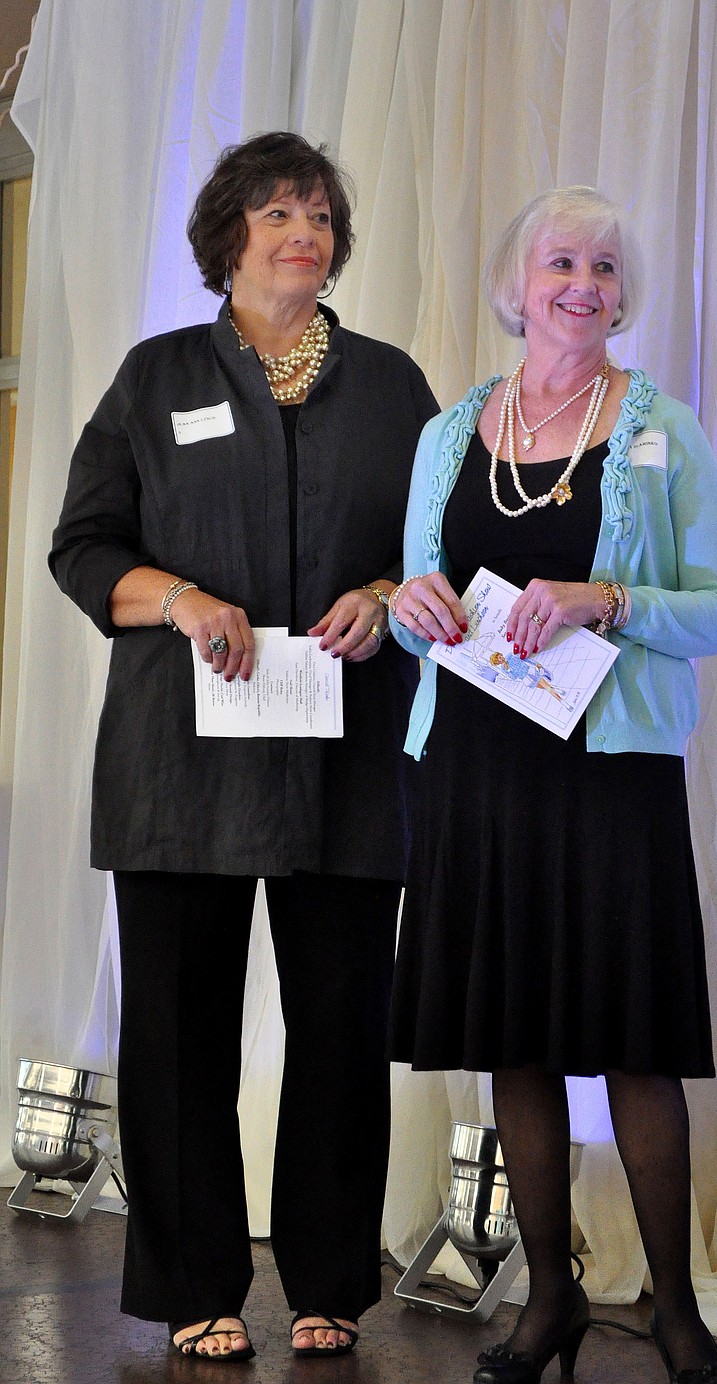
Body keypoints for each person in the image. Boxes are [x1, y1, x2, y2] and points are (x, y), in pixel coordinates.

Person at [49, 131, 437, 1363]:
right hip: (180, 762)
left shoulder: (391, 386)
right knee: (174, 1034)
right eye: (275, 213)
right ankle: (193, 1286)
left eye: (318, 215)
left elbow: (437, 558)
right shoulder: (154, 376)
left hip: (345, 751)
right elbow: (85, 547)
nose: (301, 233)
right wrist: (178, 596)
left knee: (337, 1029)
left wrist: (383, 596)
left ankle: (330, 1277)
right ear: (228, 238)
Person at [388, 187, 717, 1384]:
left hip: (607, 773)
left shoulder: (661, 429)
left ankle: (678, 1316)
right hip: (475, 774)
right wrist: (410, 608)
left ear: (620, 292)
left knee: (631, 1046)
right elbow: (411, 607)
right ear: (518, 281)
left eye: (603, 265)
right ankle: (549, 1306)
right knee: (517, 1043)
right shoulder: (451, 432)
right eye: (560, 261)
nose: (580, 283)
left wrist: (612, 601)